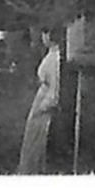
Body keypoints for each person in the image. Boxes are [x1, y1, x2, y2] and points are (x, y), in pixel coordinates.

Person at [17, 26, 61, 174]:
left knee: (37, 145)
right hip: (39, 105)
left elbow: (55, 91)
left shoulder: (56, 58)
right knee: (31, 144)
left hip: (44, 109)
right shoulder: (51, 54)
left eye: (45, 34)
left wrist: (42, 107)